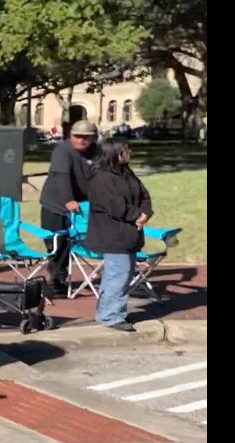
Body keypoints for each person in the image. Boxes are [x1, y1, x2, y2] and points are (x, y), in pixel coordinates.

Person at [83, 136, 152, 333]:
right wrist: (136, 216)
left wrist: (145, 213)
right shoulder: (102, 179)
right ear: (115, 153)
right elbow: (115, 206)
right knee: (118, 274)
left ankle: (111, 311)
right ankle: (110, 315)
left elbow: (144, 195)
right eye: (126, 150)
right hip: (112, 235)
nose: (129, 153)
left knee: (122, 273)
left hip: (129, 233)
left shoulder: (127, 174)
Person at [39, 119, 100, 293]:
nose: (80, 140)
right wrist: (68, 200)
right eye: (77, 136)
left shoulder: (97, 152)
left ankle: (60, 278)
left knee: (74, 242)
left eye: (85, 137)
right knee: (57, 244)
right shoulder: (63, 150)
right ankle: (53, 281)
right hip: (56, 204)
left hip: (81, 206)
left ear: (93, 138)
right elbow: (62, 177)